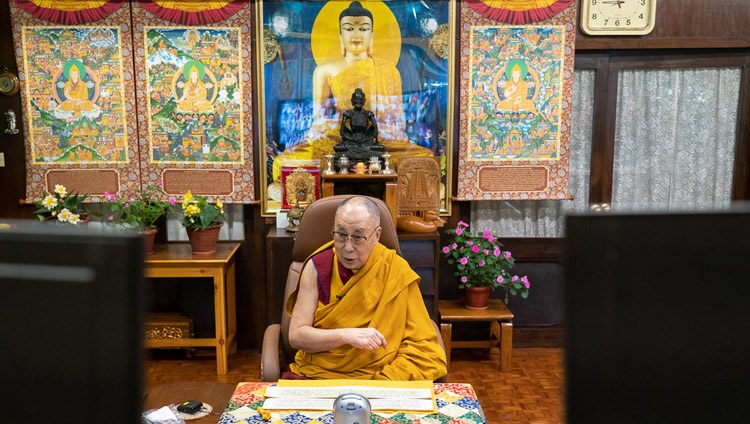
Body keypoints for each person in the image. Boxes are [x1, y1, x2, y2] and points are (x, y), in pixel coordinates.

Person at [285, 196, 447, 380]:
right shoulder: (317, 268)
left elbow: (423, 346)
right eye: (341, 234)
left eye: (358, 237)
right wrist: (346, 336)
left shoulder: (395, 270)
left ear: (377, 235)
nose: (347, 247)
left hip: (378, 377)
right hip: (319, 375)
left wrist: (384, 382)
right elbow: (296, 336)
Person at [271, 1, 433, 181]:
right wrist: (341, 135)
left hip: (380, 144)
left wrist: (376, 135)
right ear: (340, 34)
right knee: (284, 161)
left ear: (372, 35)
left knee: (424, 157)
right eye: (349, 29)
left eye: (363, 29)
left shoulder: (388, 71)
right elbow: (321, 119)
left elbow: (396, 122)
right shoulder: (324, 71)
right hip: (338, 143)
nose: (356, 35)